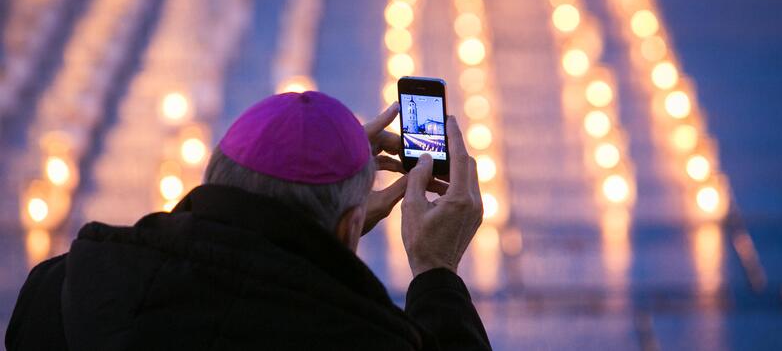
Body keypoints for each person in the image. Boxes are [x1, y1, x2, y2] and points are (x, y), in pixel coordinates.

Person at [6, 91, 491, 350]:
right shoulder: (368, 339)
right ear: (350, 229)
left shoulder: (57, 291)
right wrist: (437, 275)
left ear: (217, 179)